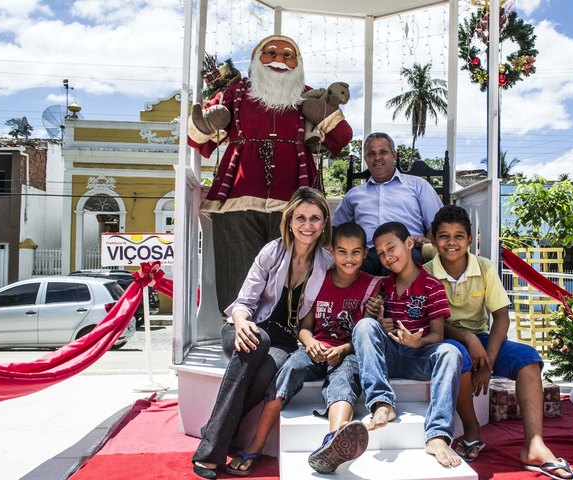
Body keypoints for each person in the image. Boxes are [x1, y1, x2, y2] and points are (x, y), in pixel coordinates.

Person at [188, 34, 353, 312]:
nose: (279, 59)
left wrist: (322, 113)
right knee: (238, 269)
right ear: (255, 60)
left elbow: (342, 137)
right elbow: (198, 140)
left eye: (288, 55)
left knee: (293, 271)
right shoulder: (236, 92)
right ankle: (237, 330)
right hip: (237, 200)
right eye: (271, 53)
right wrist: (208, 123)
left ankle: (290, 331)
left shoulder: (307, 95)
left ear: (298, 63)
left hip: (295, 204)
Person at [424, 205, 573, 480]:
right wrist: (468, 338)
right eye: (444, 236)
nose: (451, 243)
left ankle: (534, 444)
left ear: (470, 240)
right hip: (448, 338)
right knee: (458, 355)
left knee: (528, 358)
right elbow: (433, 323)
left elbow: (501, 317)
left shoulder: (484, 267)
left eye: (459, 236)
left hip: (482, 337)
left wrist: (487, 360)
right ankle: (472, 430)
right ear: (433, 239)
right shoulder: (425, 272)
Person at [192, 187, 334, 480]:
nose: (307, 225)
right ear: (290, 221)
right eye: (301, 218)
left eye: (315, 218)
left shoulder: (325, 262)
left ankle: (214, 433)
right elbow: (243, 303)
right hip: (244, 327)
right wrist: (242, 323)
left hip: (283, 340)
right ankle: (210, 450)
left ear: (324, 223)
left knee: (265, 370)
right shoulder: (273, 250)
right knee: (259, 342)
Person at [226, 222, 380, 475]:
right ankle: (257, 442)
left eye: (356, 252)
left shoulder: (372, 286)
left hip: (347, 353)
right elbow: (304, 327)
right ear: (332, 251)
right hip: (313, 348)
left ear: (365, 253)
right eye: (342, 251)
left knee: (343, 382)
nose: (349, 258)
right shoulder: (319, 281)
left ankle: (334, 440)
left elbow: (366, 335)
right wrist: (310, 343)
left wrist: (343, 349)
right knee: (287, 372)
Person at [351, 221, 463, 467]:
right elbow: (370, 334)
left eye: (391, 248)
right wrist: (378, 322)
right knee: (364, 326)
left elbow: (438, 336)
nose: (387, 257)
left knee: (451, 352)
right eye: (380, 253)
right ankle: (382, 402)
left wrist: (418, 341)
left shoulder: (433, 286)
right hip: (389, 358)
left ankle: (437, 435)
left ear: (409, 244)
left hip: (418, 358)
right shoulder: (383, 285)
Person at [332, 132, 442, 275]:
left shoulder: (418, 186)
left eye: (383, 152)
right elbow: (336, 228)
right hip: (368, 253)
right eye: (371, 154)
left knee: (404, 263)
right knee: (351, 267)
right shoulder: (354, 195)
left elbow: (438, 224)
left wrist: (426, 240)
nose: (377, 158)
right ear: (365, 159)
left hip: (407, 249)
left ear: (393, 155)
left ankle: (395, 298)